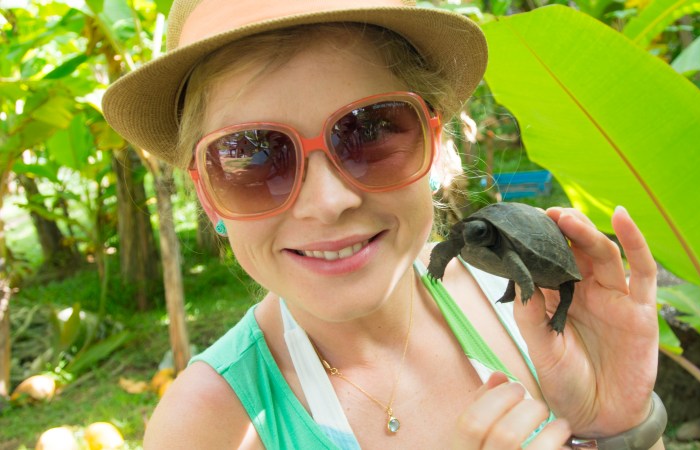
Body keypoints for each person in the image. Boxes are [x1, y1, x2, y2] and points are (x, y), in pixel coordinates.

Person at [102, 0, 665, 448]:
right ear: (208, 196)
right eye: (253, 158)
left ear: (436, 144)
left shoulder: (523, 302)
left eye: (370, 131)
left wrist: (617, 426)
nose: (328, 202)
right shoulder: (207, 428)